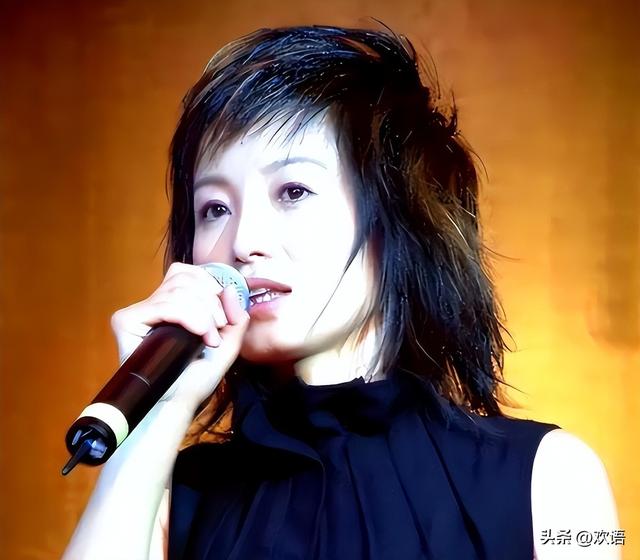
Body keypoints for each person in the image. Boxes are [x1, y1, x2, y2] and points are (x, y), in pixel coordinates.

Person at [63, 24, 621, 560]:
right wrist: (155, 416)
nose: (243, 242)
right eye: (214, 208)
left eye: (293, 191)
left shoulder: (554, 478)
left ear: (398, 218)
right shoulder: (172, 501)